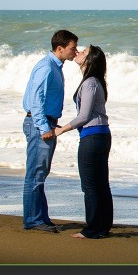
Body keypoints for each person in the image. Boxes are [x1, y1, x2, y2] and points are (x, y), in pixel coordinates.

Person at [21, 29, 79, 233]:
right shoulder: (46, 67)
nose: (76, 51)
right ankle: (33, 220)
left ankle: (41, 218)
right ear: (60, 48)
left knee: (40, 173)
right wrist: (44, 126)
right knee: (35, 174)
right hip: (40, 124)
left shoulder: (55, 65)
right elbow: (36, 99)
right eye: (73, 48)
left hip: (45, 122)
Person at [55, 45, 113, 239]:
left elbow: (84, 116)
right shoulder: (95, 81)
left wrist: (62, 129)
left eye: (84, 52)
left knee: (90, 185)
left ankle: (92, 229)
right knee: (100, 183)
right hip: (100, 135)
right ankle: (102, 227)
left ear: (90, 59)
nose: (78, 51)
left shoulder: (90, 83)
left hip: (93, 136)